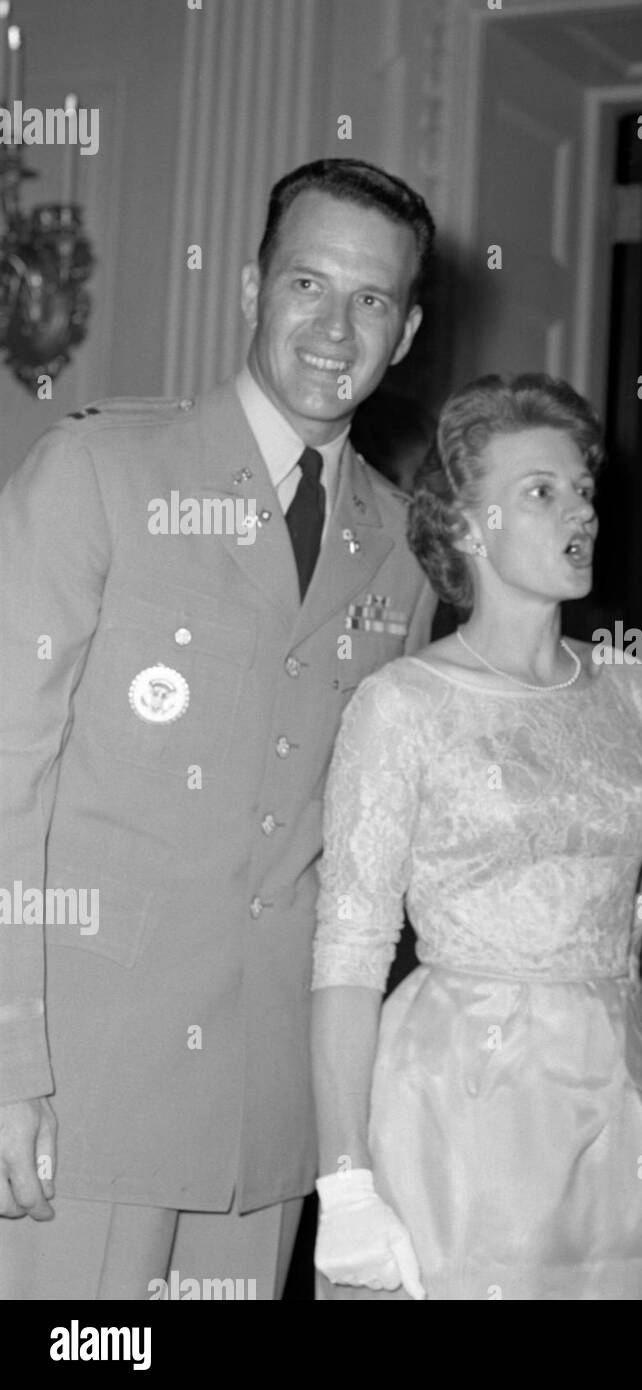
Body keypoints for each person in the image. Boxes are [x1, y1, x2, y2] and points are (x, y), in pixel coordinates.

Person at [0, 157, 436, 1299]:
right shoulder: (99, 471)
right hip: (82, 1089)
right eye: (308, 285)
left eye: (373, 301)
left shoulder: (401, 549)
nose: (336, 329)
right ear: (251, 289)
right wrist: (5, 1064)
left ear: (408, 331)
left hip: (266, 1116)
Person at [311, 373, 642, 1300]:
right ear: (468, 526)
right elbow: (349, 953)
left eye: (582, 489)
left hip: (616, 1093)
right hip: (463, 1094)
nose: (578, 512)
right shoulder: (403, 706)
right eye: (540, 493)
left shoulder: (627, 685)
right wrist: (344, 1181)